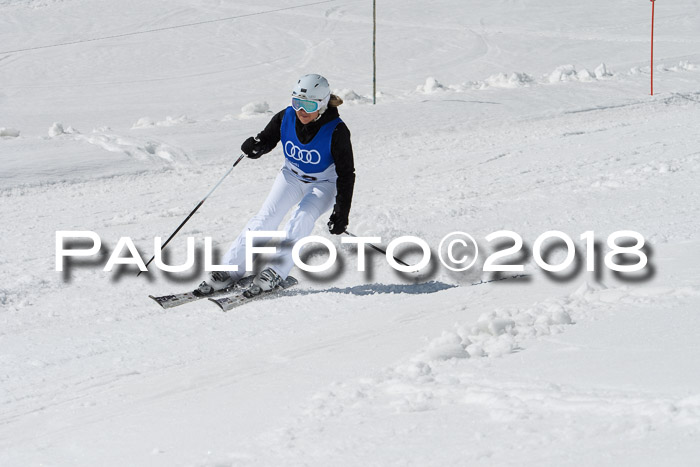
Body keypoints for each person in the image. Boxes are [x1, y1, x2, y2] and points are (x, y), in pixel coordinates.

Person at [199, 74, 355, 295]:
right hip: (291, 176)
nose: (301, 110)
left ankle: (275, 272)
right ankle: (229, 270)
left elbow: (347, 174)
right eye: (297, 102)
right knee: (264, 220)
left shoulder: (337, 131)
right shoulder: (286, 117)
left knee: (301, 218)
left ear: (321, 104)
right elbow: (266, 139)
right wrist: (255, 147)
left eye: (308, 105)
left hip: (324, 183)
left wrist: (341, 213)